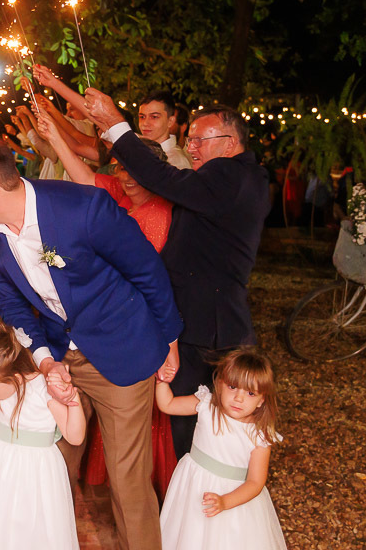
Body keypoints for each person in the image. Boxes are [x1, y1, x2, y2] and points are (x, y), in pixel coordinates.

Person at [0, 137, 183, 550]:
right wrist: (45, 362)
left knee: (127, 481)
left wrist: (170, 339)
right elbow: (13, 305)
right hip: (55, 357)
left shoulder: (84, 208)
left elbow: (147, 271)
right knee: (47, 463)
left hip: (121, 351)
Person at [84, 91, 271, 460]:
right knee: (207, 423)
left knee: (198, 427)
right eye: (191, 139)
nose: (193, 147)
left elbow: (161, 177)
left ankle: (200, 499)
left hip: (205, 326)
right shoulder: (243, 178)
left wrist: (116, 122)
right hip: (213, 320)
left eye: (202, 139)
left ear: (230, 142)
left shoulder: (229, 173)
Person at [36, 113, 178, 499]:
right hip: (89, 335)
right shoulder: (120, 192)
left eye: (135, 172)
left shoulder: (157, 213)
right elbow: (84, 178)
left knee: (127, 469)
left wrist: (170, 341)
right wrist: (54, 133)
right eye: (120, 169)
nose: (127, 179)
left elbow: (148, 279)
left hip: (132, 330)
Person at [0, 320, 86, 549]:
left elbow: (75, 437)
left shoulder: (43, 391)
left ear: (13, 378)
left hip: (34, 472)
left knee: (26, 526)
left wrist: (73, 400)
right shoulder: (1, 386)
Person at [155, 349, 286, 549]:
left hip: (232, 500)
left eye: (250, 393)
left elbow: (255, 482)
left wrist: (225, 502)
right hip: (192, 489)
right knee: (189, 536)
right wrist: (161, 381)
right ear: (219, 384)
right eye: (233, 387)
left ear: (261, 400)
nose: (239, 398)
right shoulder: (206, 405)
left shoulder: (259, 436)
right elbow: (168, 404)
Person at [137, 91, 192, 170]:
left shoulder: (175, 162)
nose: (145, 123)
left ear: (170, 121)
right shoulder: (142, 150)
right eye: (142, 117)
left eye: (154, 117)